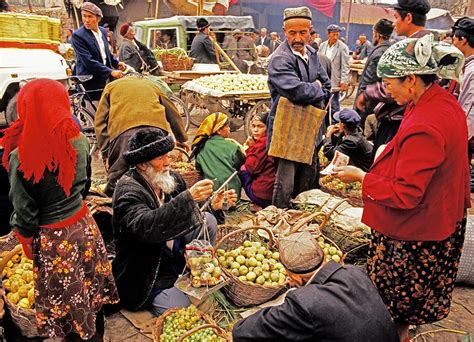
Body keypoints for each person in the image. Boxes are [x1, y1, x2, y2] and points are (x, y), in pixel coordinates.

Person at [334, 35, 469, 341]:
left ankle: (396, 334)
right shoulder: (440, 102)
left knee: (396, 303)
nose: (385, 90)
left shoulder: (426, 122)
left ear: (410, 80)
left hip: (417, 230)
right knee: (406, 305)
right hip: (440, 215)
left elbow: (406, 193)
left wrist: (360, 177)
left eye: (389, 82)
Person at [1, 79, 118, 339]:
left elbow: (25, 214)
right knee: (89, 289)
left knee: (67, 299)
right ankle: (95, 334)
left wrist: (27, 243)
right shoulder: (79, 142)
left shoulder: (20, 157)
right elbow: (84, 185)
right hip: (84, 228)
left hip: (55, 241)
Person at [112, 127, 237, 315]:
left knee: (208, 219)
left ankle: (196, 269)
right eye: (161, 158)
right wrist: (188, 198)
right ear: (142, 165)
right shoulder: (128, 190)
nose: (167, 163)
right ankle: (166, 292)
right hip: (147, 268)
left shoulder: (171, 180)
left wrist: (215, 206)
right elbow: (145, 227)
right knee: (180, 308)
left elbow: (190, 212)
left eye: (168, 156)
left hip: (172, 253)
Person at [232, 244, 399, 341]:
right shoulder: (354, 272)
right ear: (324, 256)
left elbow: (242, 332)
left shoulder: (305, 302)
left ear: (293, 277)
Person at [267, 6, 331, 208]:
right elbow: (297, 91)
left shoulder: (312, 53)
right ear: (284, 31)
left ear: (310, 31)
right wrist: (316, 88)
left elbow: (328, 85)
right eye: (292, 32)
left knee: (309, 171)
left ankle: (302, 212)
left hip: (309, 126)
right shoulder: (279, 59)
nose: (297, 37)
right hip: (287, 128)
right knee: (286, 179)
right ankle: (279, 217)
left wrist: (315, 89)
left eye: (303, 32)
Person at [94, 75, 188, 196]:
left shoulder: (111, 87)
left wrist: (106, 151)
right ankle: (162, 202)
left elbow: (100, 121)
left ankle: (114, 203)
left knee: (118, 176)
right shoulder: (153, 85)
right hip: (155, 131)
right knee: (159, 170)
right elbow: (173, 113)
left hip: (124, 132)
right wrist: (181, 138)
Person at [71, 2, 125, 101]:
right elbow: (88, 61)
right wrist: (110, 71)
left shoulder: (103, 32)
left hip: (104, 78)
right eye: (84, 16)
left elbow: (106, 53)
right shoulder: (78, 36)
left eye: (90, 16)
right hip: (90, 81)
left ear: (98, 18)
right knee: (95, 113)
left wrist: (116, 63)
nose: (86, 20)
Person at [192, 113, 245, 198]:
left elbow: (198, 167)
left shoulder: (201, 147)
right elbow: (240, 164)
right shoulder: (232, 147)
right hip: (232, 194)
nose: (229, 129)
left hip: (210, 194)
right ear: (219, 130)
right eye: (227, 127)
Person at [354, 18, 395, 129]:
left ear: (377, 35)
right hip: (380, 104)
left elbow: (368, 81)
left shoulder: (379, 53)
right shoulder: (390, 50)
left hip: (368, 104)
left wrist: (361, 98)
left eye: (373, 33)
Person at [240, 112, 276, 209]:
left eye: (260, 127)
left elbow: (252, 168)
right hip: (274, 192)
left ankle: (257, 201)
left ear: (268, 127)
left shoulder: (263, 142)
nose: (255, 130)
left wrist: (250, 148)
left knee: (243, 168)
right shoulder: (272, 138)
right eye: (253, 126)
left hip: (263, 196)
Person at [452, 17, 474, 160]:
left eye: (454, 39)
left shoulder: (472, 71)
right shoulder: (465, 66)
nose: (453, 43)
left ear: (463, 40)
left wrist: (457, 142)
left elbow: (470, 109)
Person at [319, 24, 350, 118]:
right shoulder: (322, 45)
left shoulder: (342, 47)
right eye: (334, 34)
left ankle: (335, 123)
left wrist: (344, 81)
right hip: (323, 79)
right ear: (328, 34)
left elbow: (345, 65)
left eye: (337, 34)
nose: (336, 37)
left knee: (334, 105)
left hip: (334, 80)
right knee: (322, 104)